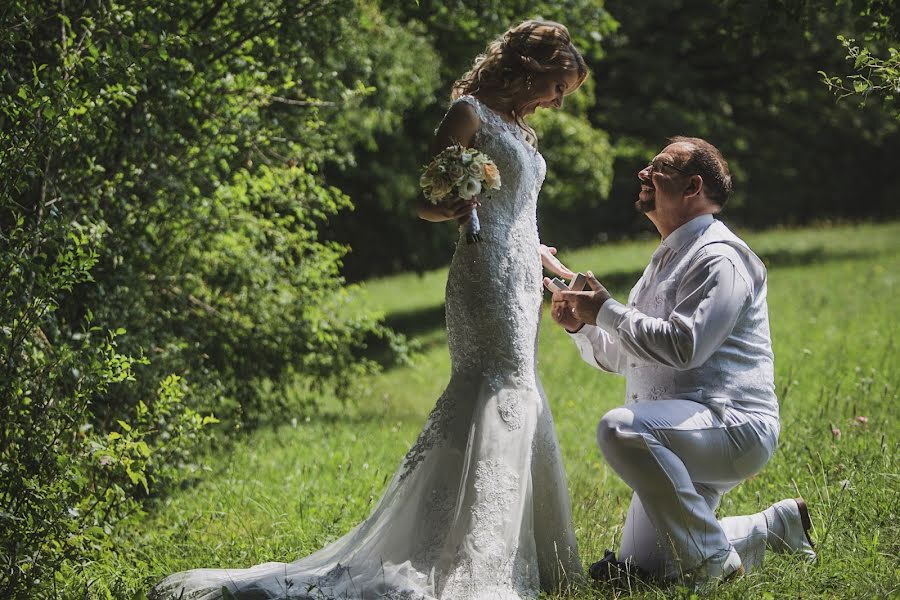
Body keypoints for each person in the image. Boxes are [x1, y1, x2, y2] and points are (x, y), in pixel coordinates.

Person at [151, 19, 587, 600]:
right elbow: (423, 202)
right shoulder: (469, 113)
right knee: (500, 386)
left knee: (515, 388)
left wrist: (539, 256)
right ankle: (475, 563)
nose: (558, 99)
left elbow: (520, 212)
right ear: (531, 67)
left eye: (565, 93)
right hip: (483, 273)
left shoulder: (518, 128)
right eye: (558, 85)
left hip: (521, 275)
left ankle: (517, 551)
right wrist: (457, 208)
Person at [546, 137, 816, 585]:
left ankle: (712, 559)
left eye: (658, 166)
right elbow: (630, 355)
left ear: (693, 186)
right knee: (647, 571)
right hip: (677, 436)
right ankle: (773, 526)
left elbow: (685, 346)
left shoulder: (720, 257)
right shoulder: (664, 260)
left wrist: (607, 310)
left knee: (619, 427)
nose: (643, 174)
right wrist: (584, 324)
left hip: (730, 426)